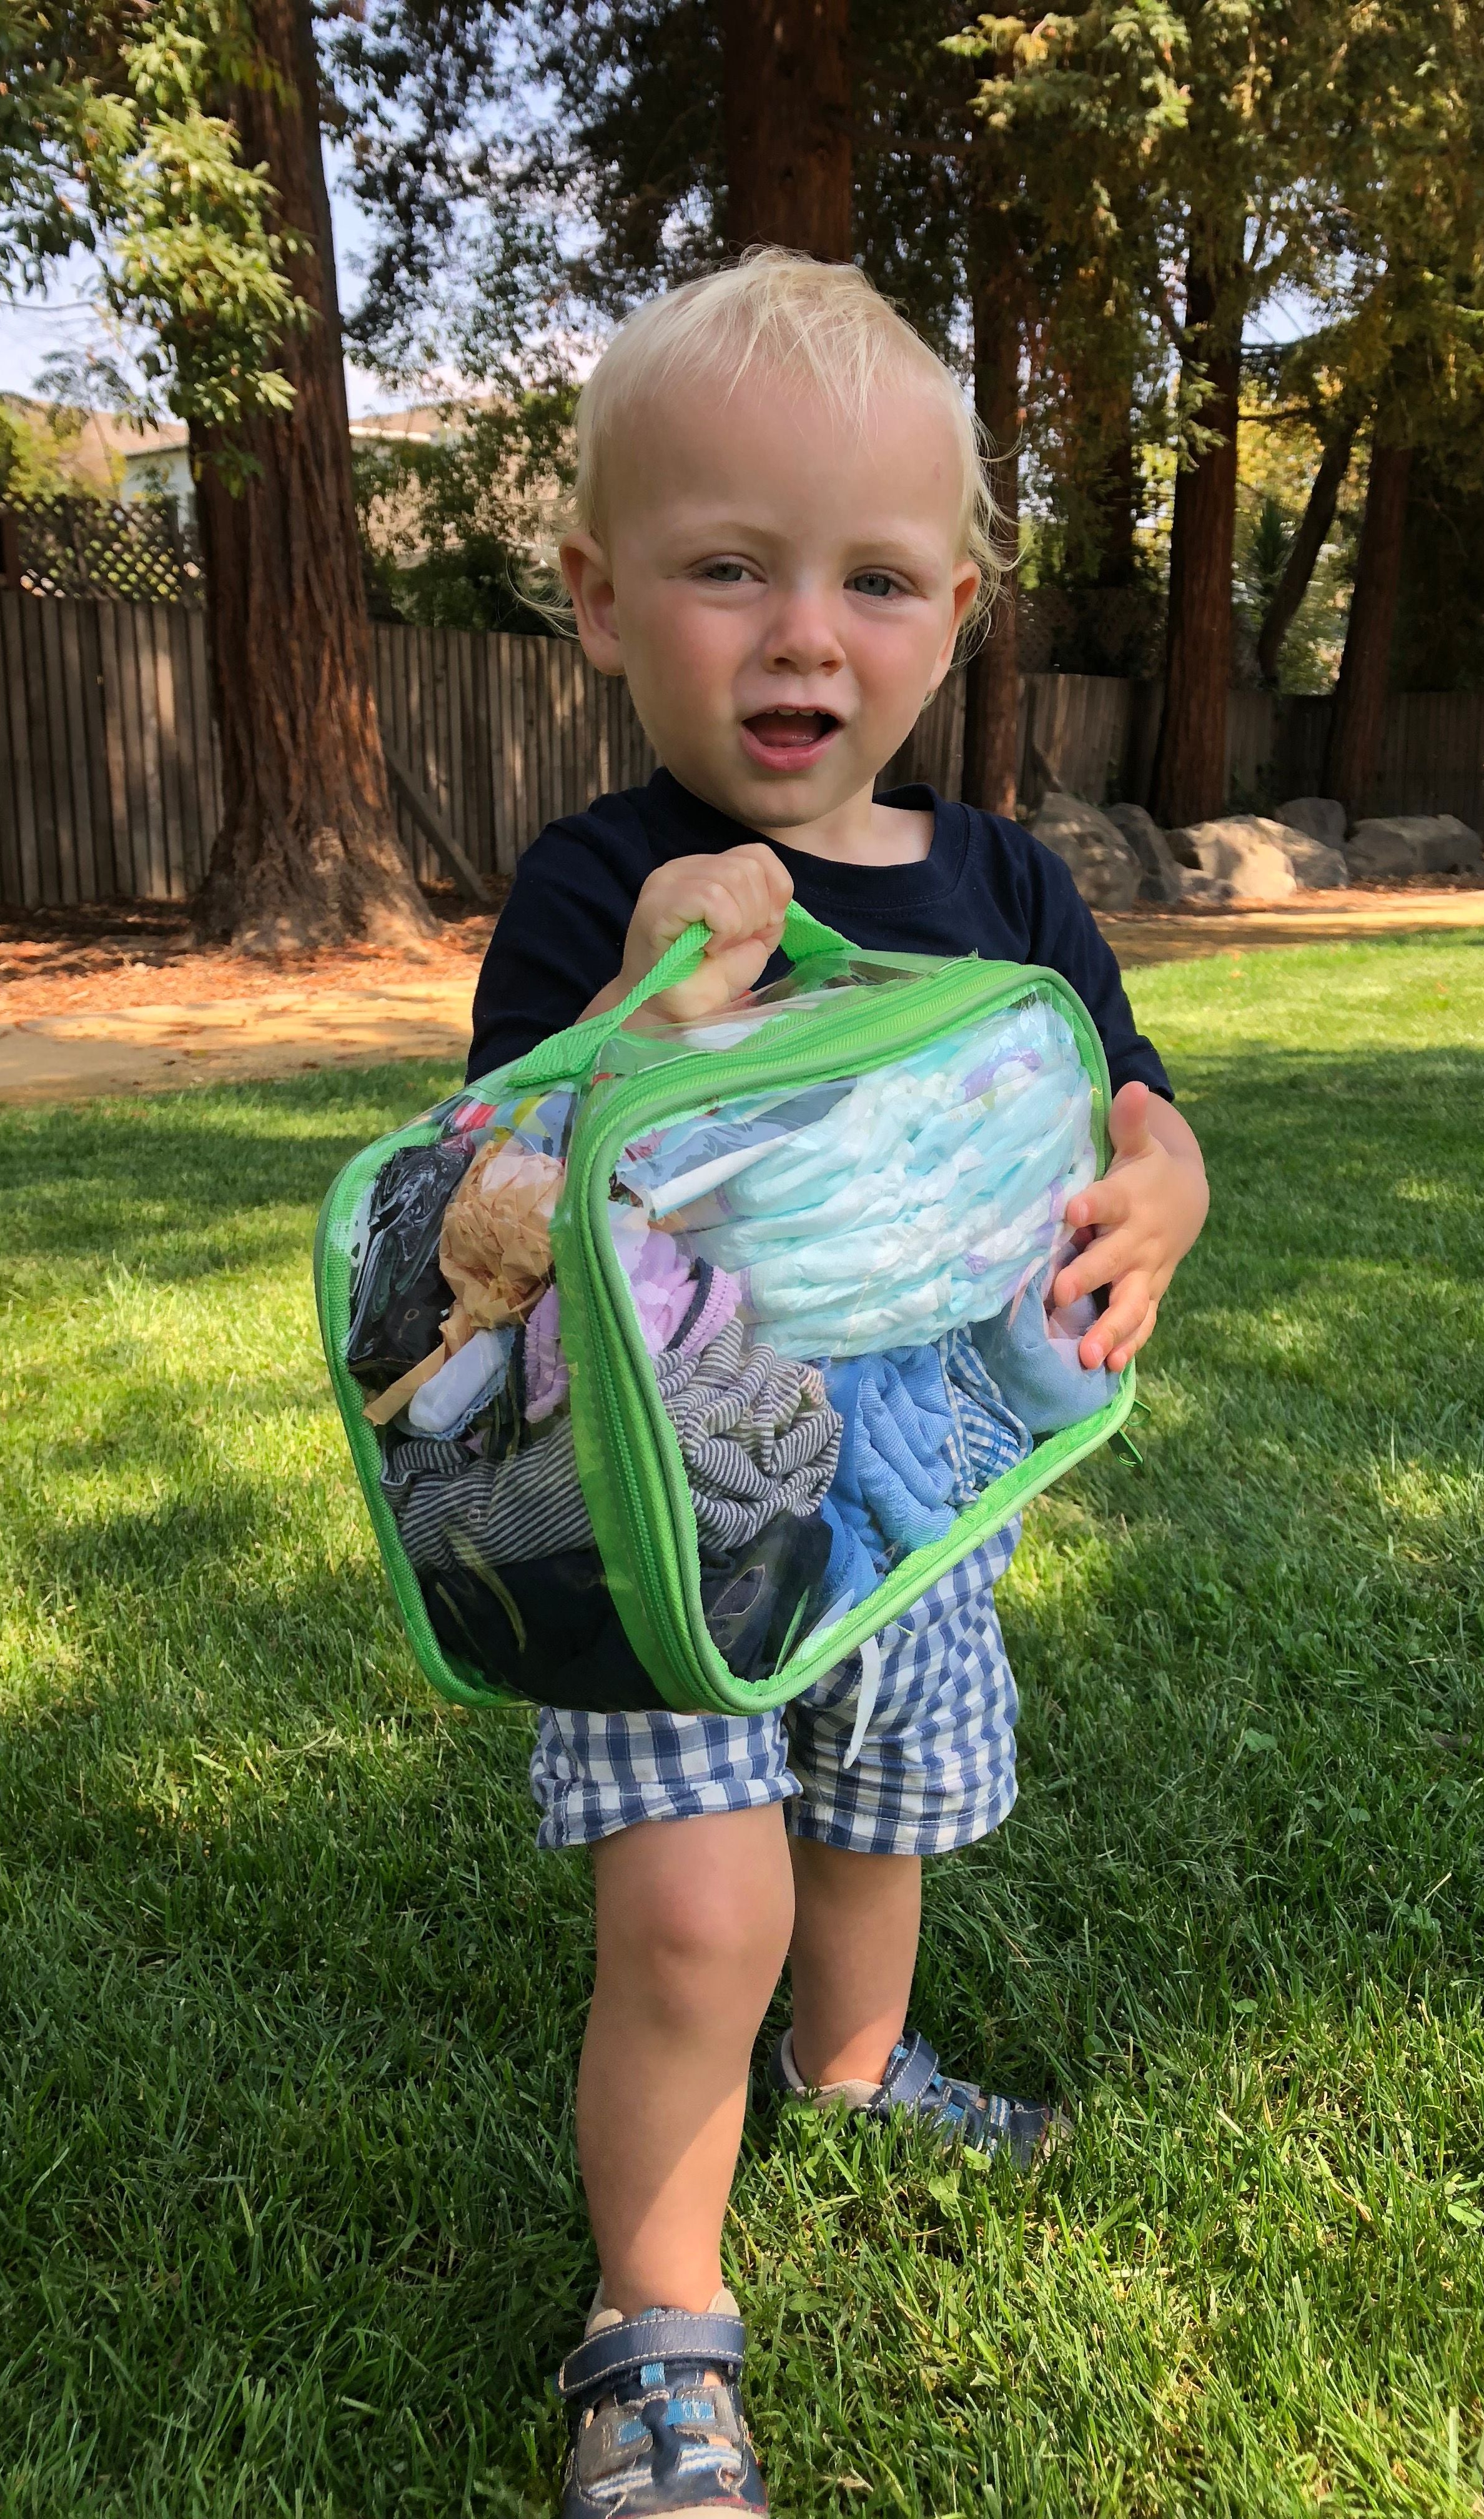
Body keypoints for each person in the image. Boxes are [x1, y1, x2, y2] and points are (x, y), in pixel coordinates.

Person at [467, 249, 1210, 2519]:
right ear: (602, 601)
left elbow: (1125, 1104)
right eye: (730, 569)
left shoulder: (1007, 885)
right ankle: (655, 2327)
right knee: (700, 1909)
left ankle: (858, 2065)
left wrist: (1169, 1189)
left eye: (874, 580)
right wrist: (643, 1006)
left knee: (880, 1824)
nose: (805, 633)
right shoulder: (596, 882)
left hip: (927, 1485)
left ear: (955, 618)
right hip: (671, 1497)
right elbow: (503, 1195)